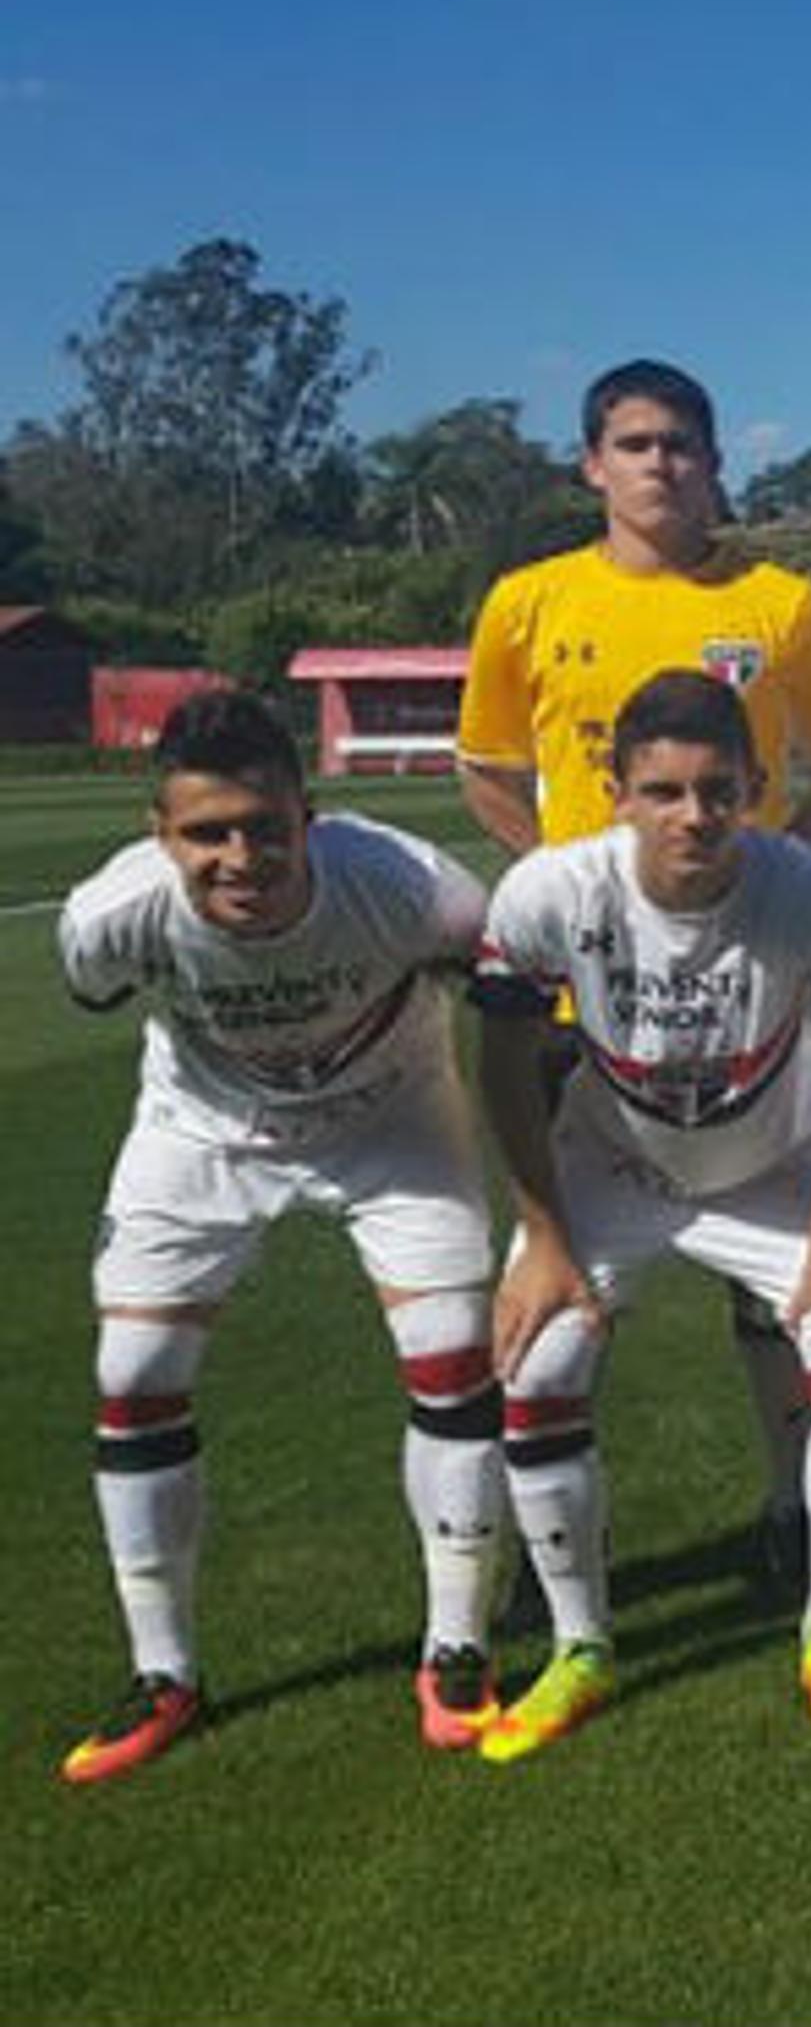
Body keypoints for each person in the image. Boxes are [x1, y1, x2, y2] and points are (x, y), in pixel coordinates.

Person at [455, 357, 811, 1582]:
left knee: (777, 1261)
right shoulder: (527, 602)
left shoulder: (783, 604)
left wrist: (768, 899)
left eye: (682, 444)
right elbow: (485, 764)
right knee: (557, 1270)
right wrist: (575, 898)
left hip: (745, 972)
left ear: (713, 460)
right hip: (586, 983)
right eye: (634, 444)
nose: (660, 465)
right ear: (592, 463)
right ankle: (539, 1571)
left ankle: (792, 1498)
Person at [54, 692, 507, 1782]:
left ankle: (459, 1642)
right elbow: (96, 990)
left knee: (451, 1354)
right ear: (159, 833)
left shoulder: (412, 886)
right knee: (135, 1370)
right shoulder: (109, 916)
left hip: (393, 1120)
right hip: (203, 1130)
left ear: (312, 814)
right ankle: (164, 1670)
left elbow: (499, 986)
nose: (240, 855)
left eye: (266, 825)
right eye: (208, 832)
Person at [469, 672, 811, 1757]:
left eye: (719, 789)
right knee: (538, 1361)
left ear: (758, 786)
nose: (694, 815)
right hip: (614, 1160)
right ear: (614, 789)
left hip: (778, 1160)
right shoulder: (549, 890)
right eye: (663, 790)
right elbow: (506, 1061)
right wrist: (544, 1237)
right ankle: (582, 1645)